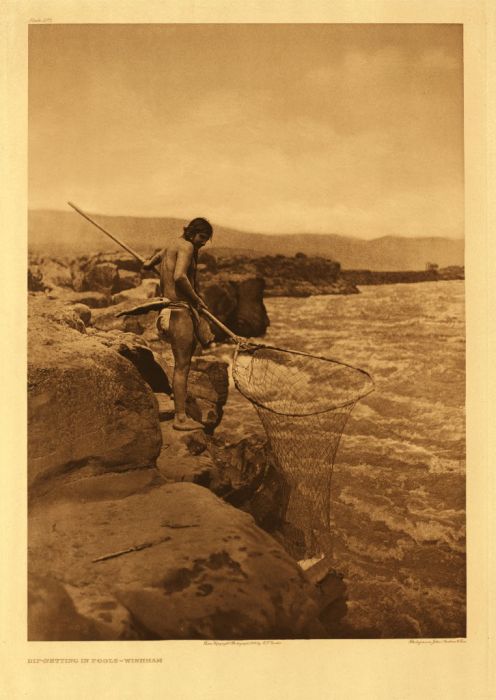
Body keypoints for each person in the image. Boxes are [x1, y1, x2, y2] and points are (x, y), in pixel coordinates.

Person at [143, 218, 214, 431]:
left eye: (206, 240)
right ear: (193, 232)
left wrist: (150, 264)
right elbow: (180, 276)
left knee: (179, 364)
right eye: (202, 237)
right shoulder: (187, 247)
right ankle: (180, 418)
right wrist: (197, 300)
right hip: (180, 311)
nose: (202, 243)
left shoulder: (172, 244)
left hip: (166, 311)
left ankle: (180, 405)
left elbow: (150, 262)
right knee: (183, 367)